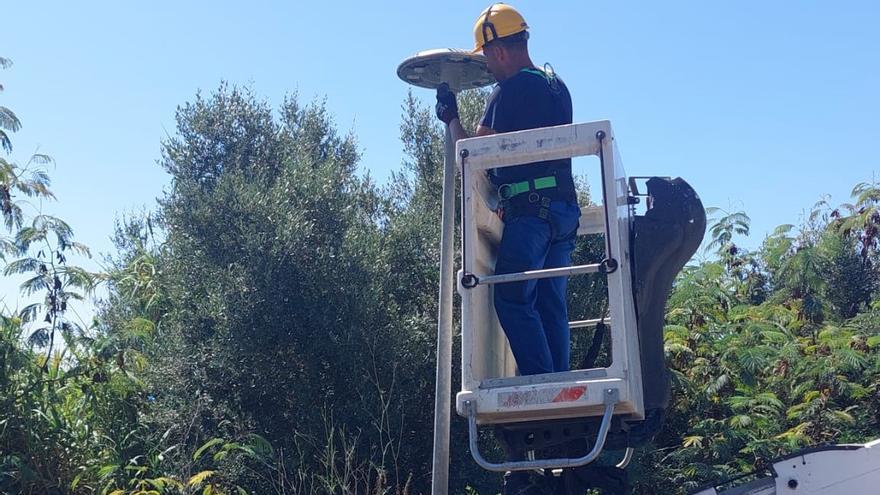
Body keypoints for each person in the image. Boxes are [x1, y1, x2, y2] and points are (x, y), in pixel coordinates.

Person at [436, 3, 581, 377]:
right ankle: (557, 384)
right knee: (550, 303)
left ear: (499, 50)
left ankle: (539, 382)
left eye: (486, 56)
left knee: (513, 296)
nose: (487, 66)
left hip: (531, 213)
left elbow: (473, 157)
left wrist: (451, 117)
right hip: (563, 211)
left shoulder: (510, 90)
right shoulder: (556, 86)